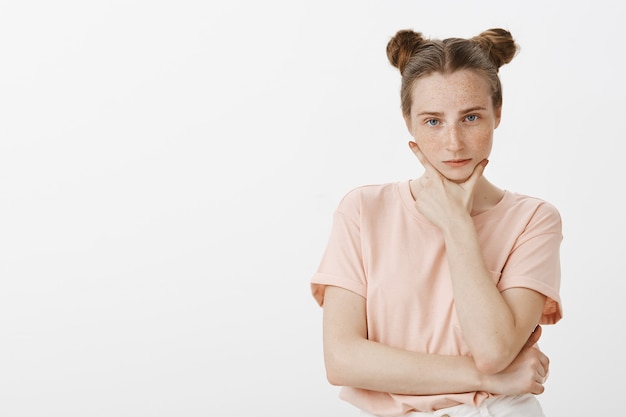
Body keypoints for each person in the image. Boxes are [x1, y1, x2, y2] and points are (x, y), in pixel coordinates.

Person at [310, 28, 563, 417]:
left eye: (471, 117)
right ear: (408, 121)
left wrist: (457, 224)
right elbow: (342, 360)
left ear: (497, 113)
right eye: (433, 121)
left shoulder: (533, 220)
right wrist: (487, 379)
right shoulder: (362, 210)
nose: (454, 143)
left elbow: (494, 351)